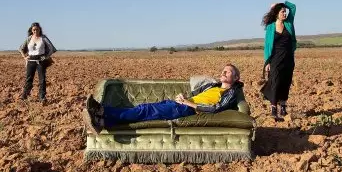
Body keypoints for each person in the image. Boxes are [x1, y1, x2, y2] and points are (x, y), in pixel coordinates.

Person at [82, 64, 244, 134]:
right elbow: (198, 95)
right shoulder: (213, 86)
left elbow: (214, 108)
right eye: (223, 70)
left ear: (236, 78)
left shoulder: (230, 94)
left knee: (144, 110)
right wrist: (185, 97)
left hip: (185, 109)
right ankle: (102, 122)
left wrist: (188, 103)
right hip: (180, 104)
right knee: (143, 111)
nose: (223, 72)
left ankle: (101, 110)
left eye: (228, 72)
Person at [260, 1, 297, 120]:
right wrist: (267, 62)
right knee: (275, 81)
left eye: (285, 12)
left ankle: (283, 107)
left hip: (288, 58)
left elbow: (293, 7)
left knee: (286, 82)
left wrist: (282, 3)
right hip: (275, 58)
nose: (285, 14)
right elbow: (267, 46)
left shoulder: (289, 23)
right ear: (276, 13)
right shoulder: (271, 27)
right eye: (282, 12)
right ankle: (273, 108)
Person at [18, 22, 57, 103]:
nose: (35, 31)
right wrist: (25, 57)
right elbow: (21, 48)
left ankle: (42, 97)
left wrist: (45, 57)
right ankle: (24, 96)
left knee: (42, 79)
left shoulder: (44, 38)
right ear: (32, 30)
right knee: (29, 79)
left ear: (40, 29)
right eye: (34, 29)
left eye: (37, 29)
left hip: (41, 61)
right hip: (31, 61)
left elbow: (52, 49)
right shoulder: (29, 38)